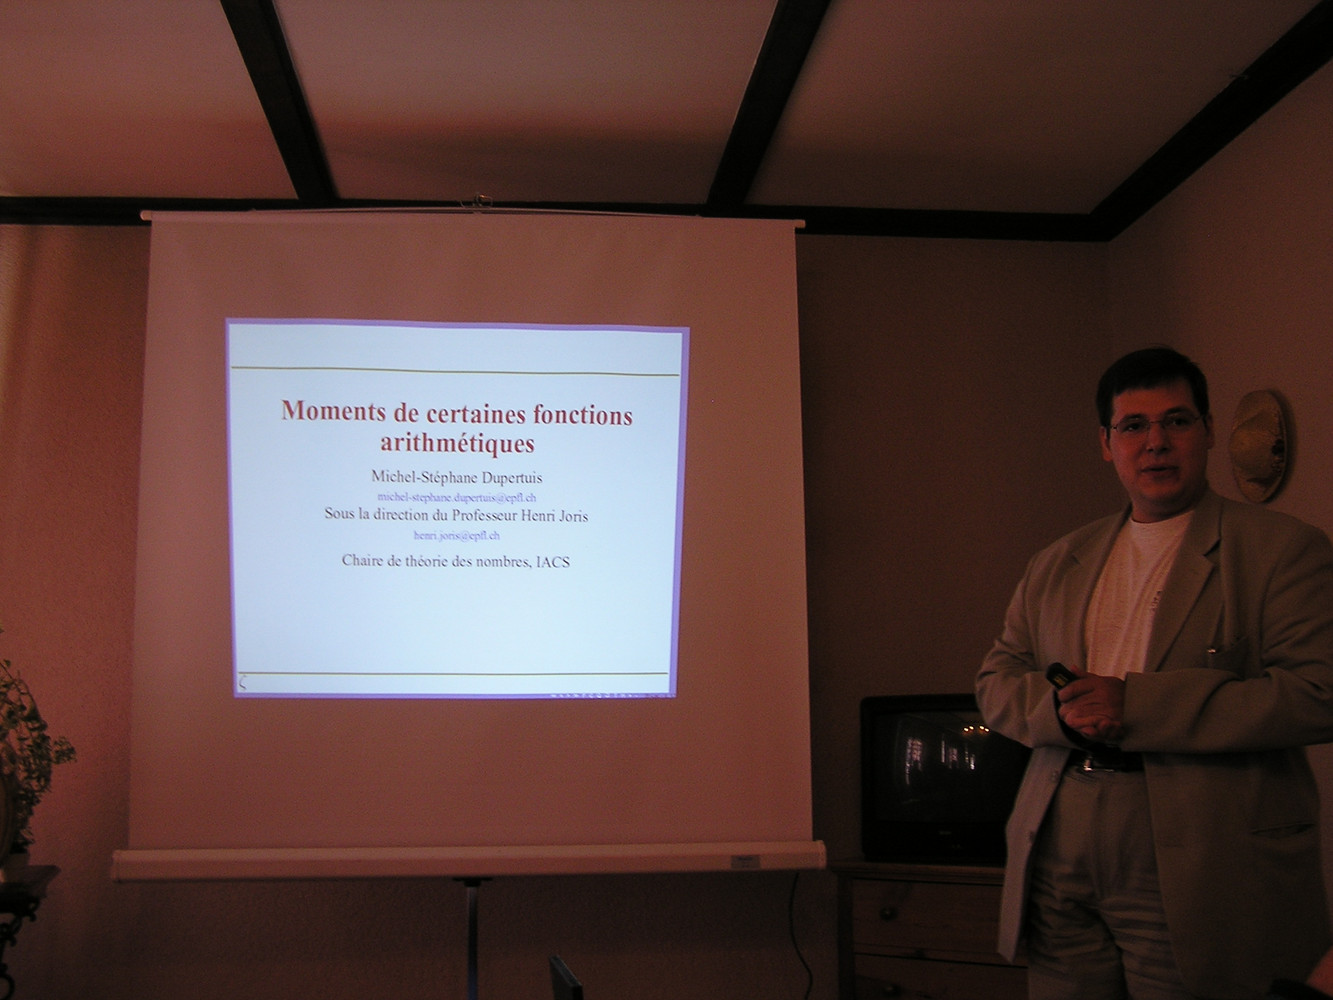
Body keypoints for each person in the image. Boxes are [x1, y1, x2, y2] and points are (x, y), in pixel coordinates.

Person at [975, 346, 1333, 1000]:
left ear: (1208, 431)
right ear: (1105, 444)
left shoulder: (1283, 549)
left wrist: (1135, 706)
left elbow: (1316, 695)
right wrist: (1061, 714)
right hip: (1058, 832)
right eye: (1133, 426)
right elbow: (996, 680)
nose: (1156, 442)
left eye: (1177, 421)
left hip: (1196, 851)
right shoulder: (1057, 560)